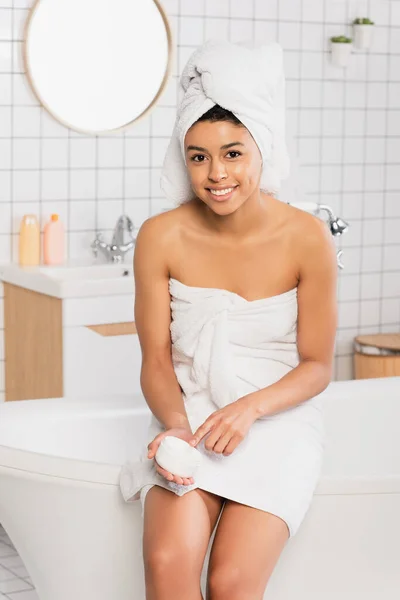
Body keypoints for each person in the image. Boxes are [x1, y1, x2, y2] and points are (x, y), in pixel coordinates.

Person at [120, 40, 337, 600]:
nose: (216, 174)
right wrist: (174, 423)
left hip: (275, 417)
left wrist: (249, 408)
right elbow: (156, 359)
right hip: (188, 413)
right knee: (169, 562)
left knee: (231, 582)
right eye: (198, 156)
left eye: (233, 153)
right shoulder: (160, 236)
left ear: (261, 149)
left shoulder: (306, 237)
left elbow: (316, 367)